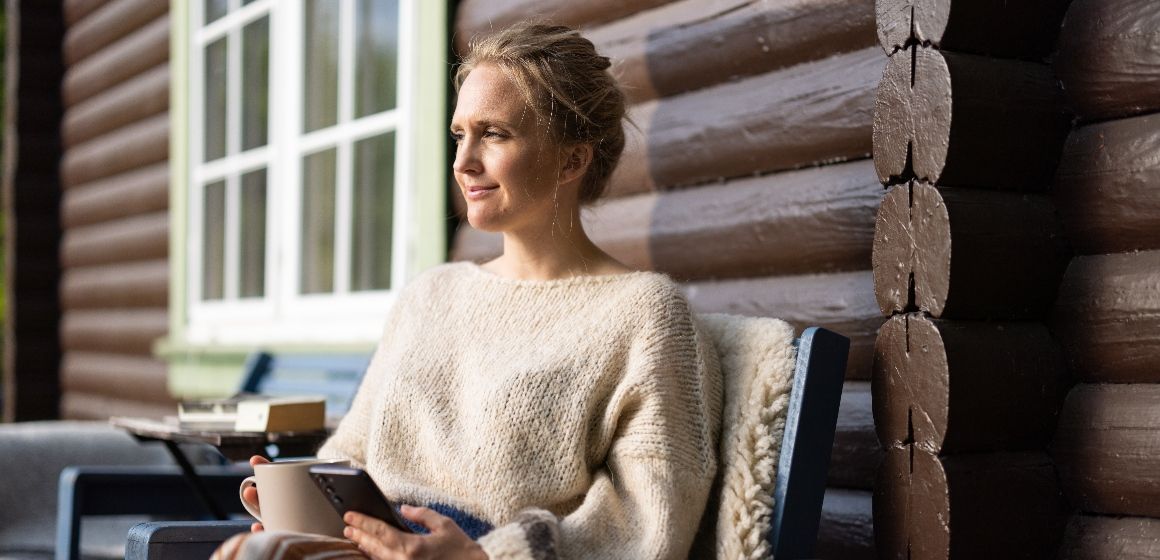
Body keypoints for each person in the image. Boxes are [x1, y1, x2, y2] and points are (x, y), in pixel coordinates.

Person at [217, 22, 722, 560]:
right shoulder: (430, 294)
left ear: (573, 160)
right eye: (460, 135)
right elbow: (352, 455)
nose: (462, 162)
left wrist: (483, 556)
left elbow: (648, 526)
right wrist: (294, 495)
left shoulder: (644, 315)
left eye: (495, 134)